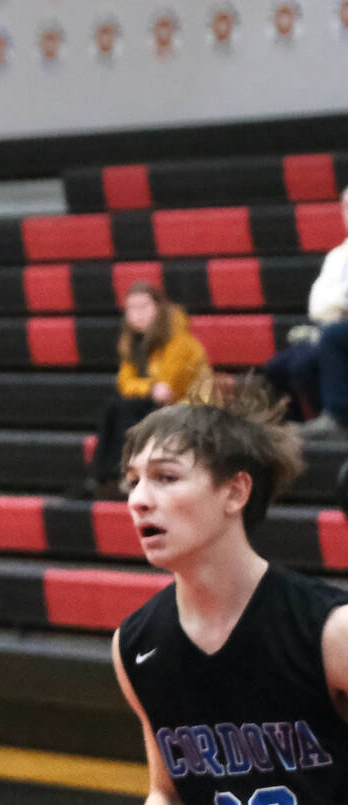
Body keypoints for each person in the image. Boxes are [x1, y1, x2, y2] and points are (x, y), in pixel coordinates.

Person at [112, 384, 348, 803]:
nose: (138, 500)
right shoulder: (135, 644)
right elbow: (166, 791)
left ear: (236, 491)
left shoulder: (332, 632)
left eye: (166, 477)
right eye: (133, 481)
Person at [86, 283, 214, 494]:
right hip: (155, 404)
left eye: (144, 306)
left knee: (127, 410)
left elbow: (167, 391)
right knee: (114, 407)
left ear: (159, 308)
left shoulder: (179, 340)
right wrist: (150, 387)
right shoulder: (131, 342)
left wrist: (149, 389)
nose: (137, 314)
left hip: (191, 408)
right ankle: (102, 475)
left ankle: (123, 473)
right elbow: (125, 384)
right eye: (131, 308)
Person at [270, 185, 348, 435]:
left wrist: (336, 304)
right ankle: (290, 429)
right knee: (283, 364)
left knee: (332, 337)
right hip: (333, 328)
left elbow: (334, 301)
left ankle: (338, 419)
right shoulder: (338, 255)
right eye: (346, 207)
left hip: (337, 332)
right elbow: (316, 304)